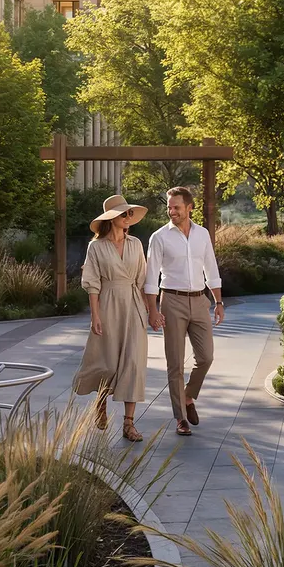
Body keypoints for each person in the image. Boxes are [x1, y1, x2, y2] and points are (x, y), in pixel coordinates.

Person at [143, 186, 224, 436]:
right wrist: (152, 310)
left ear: (189, 208)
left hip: (200, 301)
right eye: (169, 207)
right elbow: (150, 276)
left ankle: (188, 396)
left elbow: (211, 269)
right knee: (175, 364)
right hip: (172, 300)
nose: (171, 211)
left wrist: (218, 302)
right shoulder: (159, 237)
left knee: (206, 357)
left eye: (176, 207)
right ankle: (180, 418)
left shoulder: (202, 235)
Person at [75, 195, 150, 442]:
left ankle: (129, 424)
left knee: (134, 364)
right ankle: (100, 402)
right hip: (107, 305)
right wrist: (95, 316)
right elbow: (92, 284)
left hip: (133, 305)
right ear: (112, 218)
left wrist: (148, 311)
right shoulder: (95, 247)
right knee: (106, 362)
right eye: (123, 214)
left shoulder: (136, 244)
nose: (128, 218)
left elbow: (142, 280)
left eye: (129, 214)